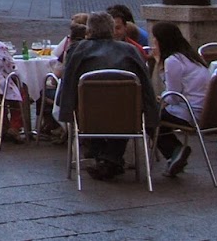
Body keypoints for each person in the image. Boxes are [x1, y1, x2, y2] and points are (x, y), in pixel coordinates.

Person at [55, 11, 158, 182]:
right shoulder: (130, 51)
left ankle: (106, 158)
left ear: (89, 30)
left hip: (89, 115)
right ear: (111, 29)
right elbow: (146, 84)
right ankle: (110, 159)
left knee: (85, 113)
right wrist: (151, 113)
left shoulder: (78, 50)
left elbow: (68, 83)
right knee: (125, 110)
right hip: (126, 116)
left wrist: (65, 107)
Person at [150, 21, 209, 177]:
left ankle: (174, 152)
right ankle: (174, 154)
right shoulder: (191, 57)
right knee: (157, 113)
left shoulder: (172, 61)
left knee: (148, 116)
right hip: (204, 109)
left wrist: (159, 65)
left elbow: (173, 96)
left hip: (190, 111)